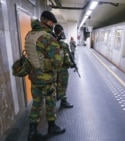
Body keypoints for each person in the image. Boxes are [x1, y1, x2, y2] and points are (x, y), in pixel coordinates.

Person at [24, 11, 65, 141]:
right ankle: (52, 127)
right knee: (50, 103)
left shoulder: (30, 35)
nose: (53, 25)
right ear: (49, 22)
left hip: (34, 77)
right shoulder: (48, 38)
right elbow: (58, 63)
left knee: (36, 104)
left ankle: (32, 133)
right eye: (52, 23)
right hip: (47, 79)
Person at [54, 24, 75, 108]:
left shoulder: (51, 42)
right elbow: (67, 59)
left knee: (56, 83)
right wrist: (72, 64)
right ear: (61, 32)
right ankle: (63, 101)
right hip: (62, 69)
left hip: (54, 69)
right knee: (63, 84)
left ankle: (57, 95)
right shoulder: (63, 45)